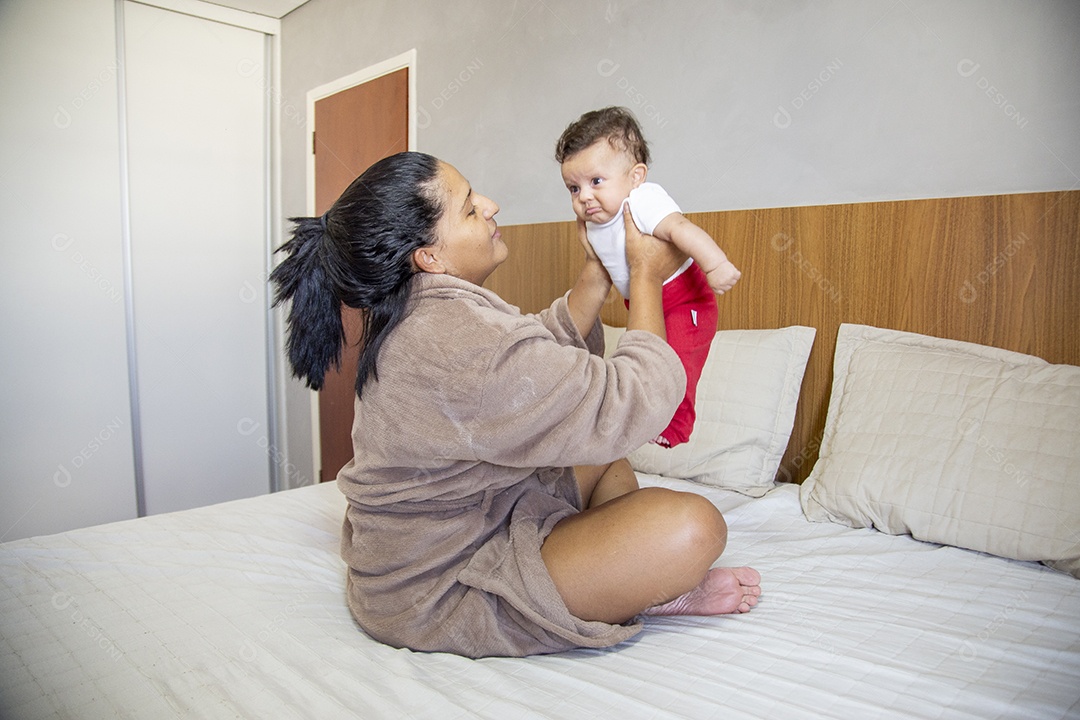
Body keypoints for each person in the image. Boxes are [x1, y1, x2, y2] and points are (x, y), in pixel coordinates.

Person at [270, 151, 760, 659]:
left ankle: (617, 576)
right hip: (436, 589)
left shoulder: (428, 314)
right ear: (429, 257)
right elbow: (632, 398)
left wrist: (597, 269)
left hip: (476, 517)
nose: (490, 205)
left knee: (601, 458)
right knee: (692, 527)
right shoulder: (456, 340)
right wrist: (645, 274)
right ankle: (627, 583)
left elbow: (532, 362)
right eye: (468, 208)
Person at [556, 106, 741, 448]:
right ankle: (642, 421)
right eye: (573, 188)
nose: (584, 197)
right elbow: (604, 267)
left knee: (679, 367)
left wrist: (715, 264)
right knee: (647, 368)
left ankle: (677, 428)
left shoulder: (642, 201)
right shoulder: (594, 224)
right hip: (645, 302)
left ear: (636, 176)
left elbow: (681, 229)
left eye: (596, 181)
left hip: (687, 301)